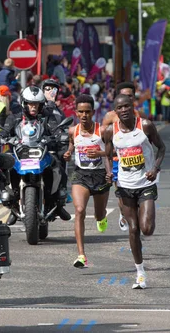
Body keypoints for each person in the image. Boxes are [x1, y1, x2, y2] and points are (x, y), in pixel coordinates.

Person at [103, 94, 166, 289]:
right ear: (115, 111)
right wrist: (108, 173)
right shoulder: (110, 131)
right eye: (119, 108)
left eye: (127, 106)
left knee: (147, 229)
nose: (123, 110)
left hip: (145, 183)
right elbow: (107, 155)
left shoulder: (145, 126)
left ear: (132, 107)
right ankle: (140, 273)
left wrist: (155, 168)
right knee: (133, 229)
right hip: (124, 185)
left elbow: (162, 148)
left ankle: (129, 216)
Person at [0, 86, 71, 223]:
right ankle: (13, 203)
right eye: (30, 104)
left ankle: (58, 203)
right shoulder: (14, 118)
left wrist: (59, 136)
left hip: (41, 151)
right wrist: (2, 137)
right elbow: (4, 132)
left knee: (58, 165)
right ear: (24, 103)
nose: (33, 107)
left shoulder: (47, 118)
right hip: (19, 151)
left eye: (36, 104)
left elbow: (56, 131)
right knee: (3, 163)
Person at [63, 94, 111, 268]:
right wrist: (68, 153)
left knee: (99, 213)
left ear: (93, 112)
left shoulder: (103, 131)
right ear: (76, 112)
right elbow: (71, 145)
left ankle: (102, 217)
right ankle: (81, 255)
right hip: (80, 175)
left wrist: (101, 156)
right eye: (81, 112)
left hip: (99, 176)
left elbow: (111, 154)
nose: (84, 115)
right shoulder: (72, 131)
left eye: (87, 112)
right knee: (80, 209)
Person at [102, 82, 146, 232]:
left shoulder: (139, 117)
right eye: (123, 96)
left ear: (133, 98)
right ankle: (124, 213)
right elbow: (104, 140)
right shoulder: (110, 116)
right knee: (122, 196)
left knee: (138, 198)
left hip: (137, 163)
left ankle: (136, 221)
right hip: (117, 162)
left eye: (130, 96)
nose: (126, 99)